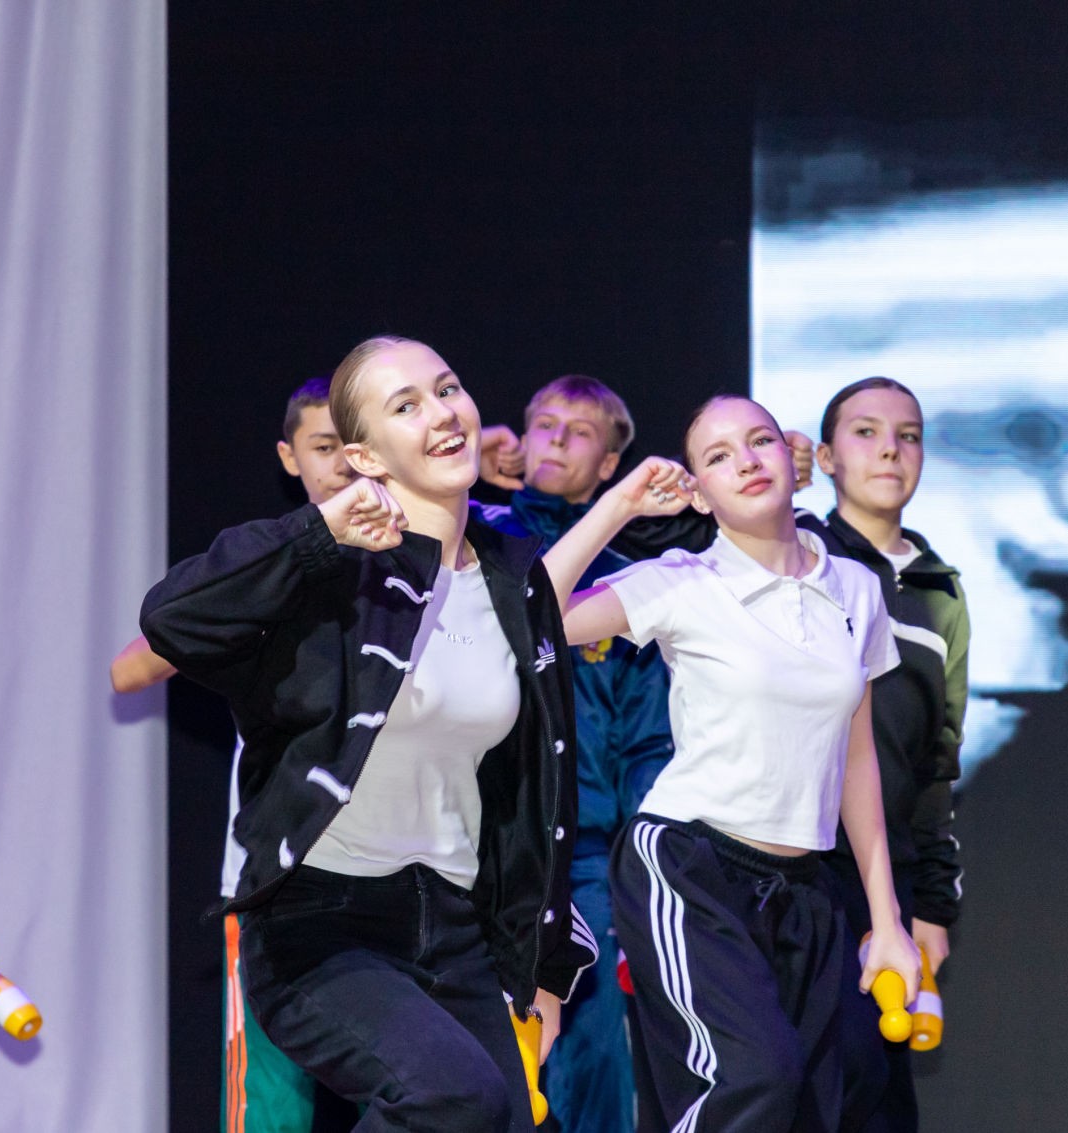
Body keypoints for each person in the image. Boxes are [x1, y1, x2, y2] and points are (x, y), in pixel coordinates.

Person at [140, 335, 687, 1130]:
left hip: (457, 925)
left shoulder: (508, 576)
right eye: (407, 405)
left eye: (448, 388)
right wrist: (317, 532)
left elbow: (534, 790)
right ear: (364, 456)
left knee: (503, 1116)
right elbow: (172, 619)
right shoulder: (332, 571)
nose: (442, 413)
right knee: (452, 1097)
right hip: (322, 926)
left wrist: (540, 958)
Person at [547, 393, 920, 1130]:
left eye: (759, 442)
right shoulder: (682, 579)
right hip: (689, 864)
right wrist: (620, 506)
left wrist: (887, 920)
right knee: (751, 1080)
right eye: (719, 456)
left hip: (805, 884)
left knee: (815, 1104)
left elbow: (855, 759)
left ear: (791, 456)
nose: (746, 462)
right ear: (700, 491)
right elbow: (538, 616)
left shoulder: (855, 587)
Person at [113, 376, 361, 1133]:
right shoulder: (272, 563)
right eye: (323, 447)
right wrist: (248, 619)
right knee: (272, 1103)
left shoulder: (424, 556)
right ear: (290, 457)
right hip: (275, 876)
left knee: (420, 1090)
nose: (342, 465)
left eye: (354, 446)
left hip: (398, 873)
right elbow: (130, 668)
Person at [475, 375, 673, 1133]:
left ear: (611, 464)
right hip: (475, 844)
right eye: (544, 423)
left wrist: (640, 866)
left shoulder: (627, 578)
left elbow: (647, 739)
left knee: (590, 1053)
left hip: (585, 856)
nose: (556, 438)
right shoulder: (478, 532)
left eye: (580, 430)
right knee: (467, 1046)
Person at [808, 378, 969, 1131]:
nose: (889, 451)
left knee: (879, 1089)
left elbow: (940, 757)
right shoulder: (801, 552)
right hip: (799, 862)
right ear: (825, 456)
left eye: (908, 436)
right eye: (866, 432)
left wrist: (930, 904)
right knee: (812, 1073)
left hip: (888, 873)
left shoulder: (942, 591)